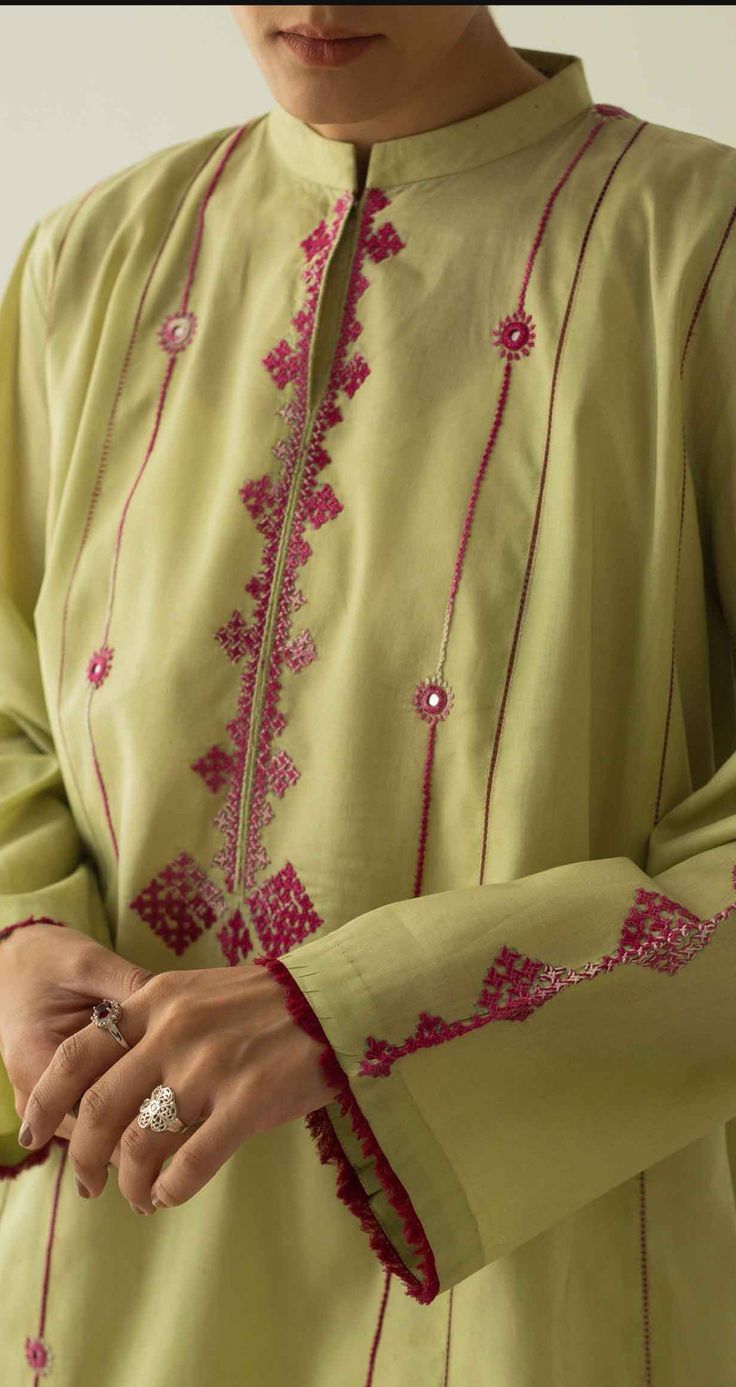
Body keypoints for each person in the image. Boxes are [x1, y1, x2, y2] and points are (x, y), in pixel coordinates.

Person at [0, 4, 734, 1383]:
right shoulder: (86, 264)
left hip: (532, 1287)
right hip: (104, 1261)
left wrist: (370, 1007)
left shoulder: (696, 253)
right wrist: (15, 936)